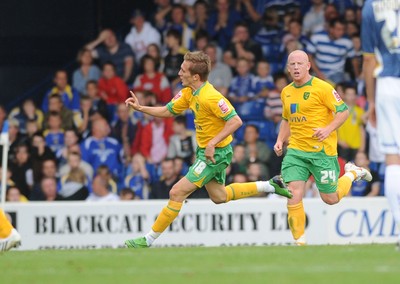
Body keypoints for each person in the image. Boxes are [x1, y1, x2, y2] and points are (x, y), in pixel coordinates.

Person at [124, 51, 292, 248]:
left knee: (176, 192)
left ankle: (147, 240)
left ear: (195, 76)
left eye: (183, 70)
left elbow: (236, 120)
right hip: (206, 152)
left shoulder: (211, 97)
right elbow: (168, 110)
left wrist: (212, 143)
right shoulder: (188, 92)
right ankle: (271, 185)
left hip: (216, 153)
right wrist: (142, 108)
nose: (178, 73)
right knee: (219, 197)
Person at [273, 50, 372, 246]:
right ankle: (299, 243)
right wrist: (280, 139)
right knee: (293, 192)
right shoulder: (286, 92)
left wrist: (328, 129)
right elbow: (286, 118)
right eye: (292, 64)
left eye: (300, 63)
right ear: (287, 68)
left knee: (331, 198)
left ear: (308, 65)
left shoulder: (323, 88)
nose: (295, 67)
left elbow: (342, 112)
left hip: (322, 152)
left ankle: (352, 173)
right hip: (296, 151)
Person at [362, 0, 400, 250]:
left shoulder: (369, 7)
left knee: (393, 159)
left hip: (388, 85)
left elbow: (368, 61)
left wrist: (372, 102)